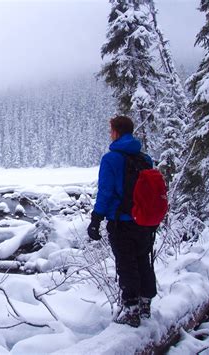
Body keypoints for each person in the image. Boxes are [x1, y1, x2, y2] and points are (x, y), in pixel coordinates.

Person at [87, 115, 157, 328]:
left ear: (116, 132)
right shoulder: (145, 159)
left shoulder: (111, 158)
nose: (110, 134)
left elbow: (106, 191)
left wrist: (95, 218)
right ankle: (145, 305)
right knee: (143, 261)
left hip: (121, 222)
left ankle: (131, 311)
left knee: (126, 265)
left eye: (111, 131)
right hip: (144, 221)